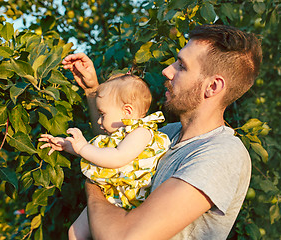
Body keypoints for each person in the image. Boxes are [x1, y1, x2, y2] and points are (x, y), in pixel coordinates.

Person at [62, 24, 262, 239]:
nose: (167, 71)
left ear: (212, 87)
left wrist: (94, 180)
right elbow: (111, 144)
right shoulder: (167, 134)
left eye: (182, 66)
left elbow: (124, 237)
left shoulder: (220, 154)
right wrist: (92, 91)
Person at [39, 74, 171, 240]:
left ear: (127, 111)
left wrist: (83, 148)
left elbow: (117, 158)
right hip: (113, 195)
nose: (99, 121)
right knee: (74, 233)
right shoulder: (117, 135)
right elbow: (97, 152)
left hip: (131, 201)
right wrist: (67, 145)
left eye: (103, 114)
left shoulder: (141, 132)